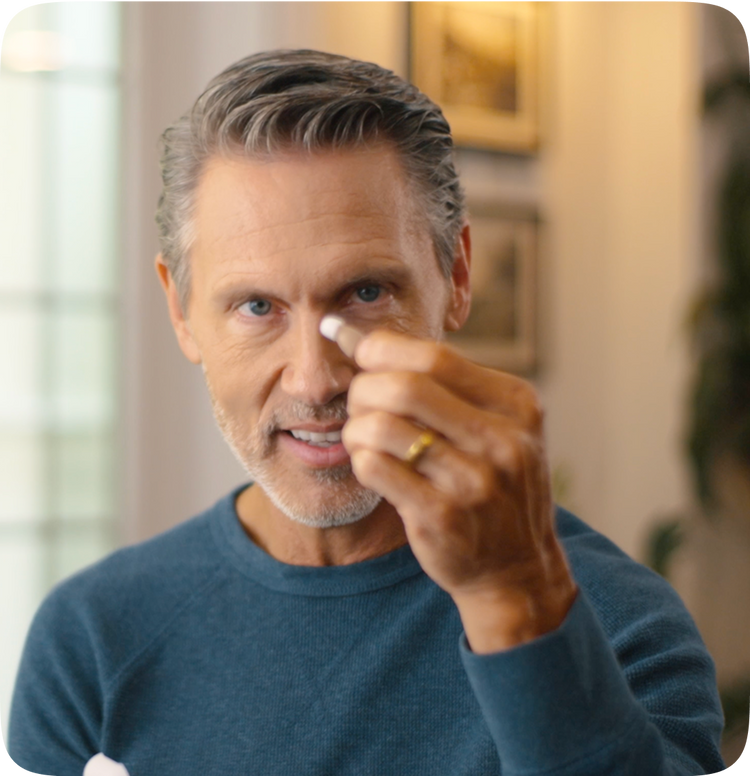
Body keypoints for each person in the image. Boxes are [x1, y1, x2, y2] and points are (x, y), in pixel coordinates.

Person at [7, 49, 727, 776]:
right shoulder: (92, 640)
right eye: (256, 306)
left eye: (365, 295)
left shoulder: (617, 627)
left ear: (456, 276)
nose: (316, 380)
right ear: (180, 311)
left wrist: (511, 599)